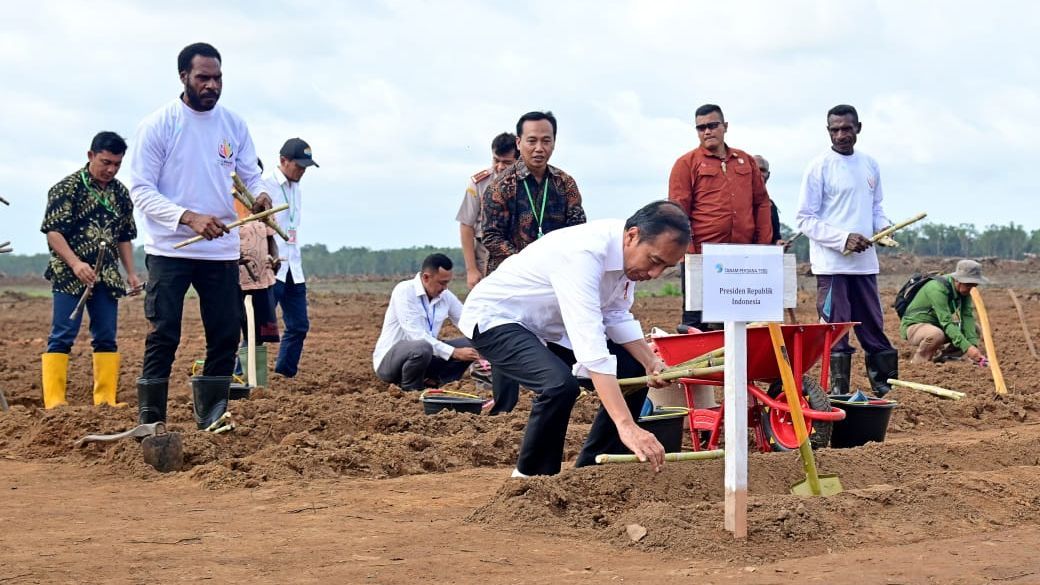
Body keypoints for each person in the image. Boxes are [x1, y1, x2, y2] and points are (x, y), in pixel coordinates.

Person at [460, 200, 689, 477]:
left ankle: (593, 471)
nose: (654, 274)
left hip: (549, 326)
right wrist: (627, 425)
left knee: (632, 369)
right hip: (496, 318)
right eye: (654, 261)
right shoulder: (584, 255)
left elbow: (615, 314)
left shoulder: (628, 258)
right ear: (632, 235)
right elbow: (591, 347)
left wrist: (650, 362)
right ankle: (530, 481)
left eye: (665, 267)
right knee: (558, 386)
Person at [129, 42, 271, 430]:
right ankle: (151, 417)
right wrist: (187, 217)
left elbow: (250, 174)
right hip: (170, 248)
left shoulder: (234, 125)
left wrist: (259, 194)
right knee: (164, 333)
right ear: (184, 78)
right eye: (203, 78)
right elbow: (140, 190)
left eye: (217, 78)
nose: (212, 85)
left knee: (226, 333)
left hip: (221, 249)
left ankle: (211, 413)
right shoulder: (158, 125)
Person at [795, 104, 898, 397]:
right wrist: (843, 240)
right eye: (835, 129)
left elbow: (876, 208)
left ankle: (885, 388)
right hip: (832, 265)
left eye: (847, 128)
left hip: (865, 265)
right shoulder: (818, 167)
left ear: (858, 128)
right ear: (828, 131)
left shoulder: (870, 164)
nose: (841, 135)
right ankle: (838, 393)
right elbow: (804, 218)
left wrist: (883, 230)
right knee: (836, 330)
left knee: (873, 327)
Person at [40, 131, 141, 409]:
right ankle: (55, 403)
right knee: (62, 335)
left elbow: (124, 236)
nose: (110, 169)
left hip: (106, 276)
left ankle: (106, 400)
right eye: (105, 162)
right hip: (69, 274)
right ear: (90, 156)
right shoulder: (66, 188)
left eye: (117, 164)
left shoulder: (120, 193)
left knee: (106, 336)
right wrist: (75, 263)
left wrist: (131, 273)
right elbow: (53, 232)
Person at [668, 104, 772, 330]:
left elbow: (761, 202)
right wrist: (690, 254)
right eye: (701, 128)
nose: (707, 131)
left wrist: (763, 246)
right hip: (703, 256)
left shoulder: (746, 160)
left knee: (745, 317)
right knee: (697, 321)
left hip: (742, 257)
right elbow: (678, 212)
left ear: (725, 127)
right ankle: (698, 364)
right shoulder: (686, 164)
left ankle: (743, 365)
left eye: (713, 125)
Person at [480, 111, 586, 274]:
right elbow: (491, 236)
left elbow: (578, 230)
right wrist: (528, 264)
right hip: (510, 277)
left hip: (556, 275)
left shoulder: (565, 183)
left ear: (554, 143)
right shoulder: (500, 186)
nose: (539, 148)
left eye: (546, 141)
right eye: (532, 141)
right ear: (518, 143)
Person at [373, 254, 479, 390]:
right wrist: (454, 352)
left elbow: (467, 321)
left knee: (473, 341)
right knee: (422, 347)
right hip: (390, 363)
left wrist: (492, 340)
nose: (445, 288)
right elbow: (416, 336)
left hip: (425, 358)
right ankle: (410, 391)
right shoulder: (405, 291)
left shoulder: (445, 296)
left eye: (447, 283)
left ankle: (443, 384)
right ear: (426, 277)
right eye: (442, 283)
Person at [262, 138, 319, 378]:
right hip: (271, 267)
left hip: (293, 267)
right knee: (260, 328)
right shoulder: (265, 186)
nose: (302, 171)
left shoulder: (297, 189)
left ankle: (284, 375)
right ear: (283, 161)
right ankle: (243, 377)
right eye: (299, 166)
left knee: (298, 326)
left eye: (306, 168)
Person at [456, 132, 518, 289]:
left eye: (507, 162)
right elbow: (466, 225)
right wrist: (471, 270)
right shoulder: (479, 183)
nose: (500, 166)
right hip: (485, 252)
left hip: (517, 252)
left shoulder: (529, 183)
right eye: (496, 160)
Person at [900, 260, 988, 365]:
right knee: (936, 335)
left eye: (974, 285)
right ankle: (919, 363)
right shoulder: (936, 288)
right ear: (958, 281)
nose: (971, 289)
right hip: (915, 327)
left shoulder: (965, 291)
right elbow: (946, 322)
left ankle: (947, 357)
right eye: (969, 285)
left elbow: (967, 316)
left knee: (975, 328)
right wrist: (967, 347)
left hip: (938, 325)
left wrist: (973, 345)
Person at [234, 190, 280, 377]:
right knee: (230, 332)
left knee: (257, 334)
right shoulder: (225, 205)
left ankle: (252, 379)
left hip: (261, 280)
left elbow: (271, 239)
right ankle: (235, 375)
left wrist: (274, 259)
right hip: (235, 281)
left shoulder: (262, 207)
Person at [753, 155, 785, 246]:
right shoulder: (737, 201)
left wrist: (779, 244)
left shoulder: (770, 205)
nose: (760, 174)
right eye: (757, 169)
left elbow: (776, 238)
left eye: (763, 170)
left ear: (768, 175)